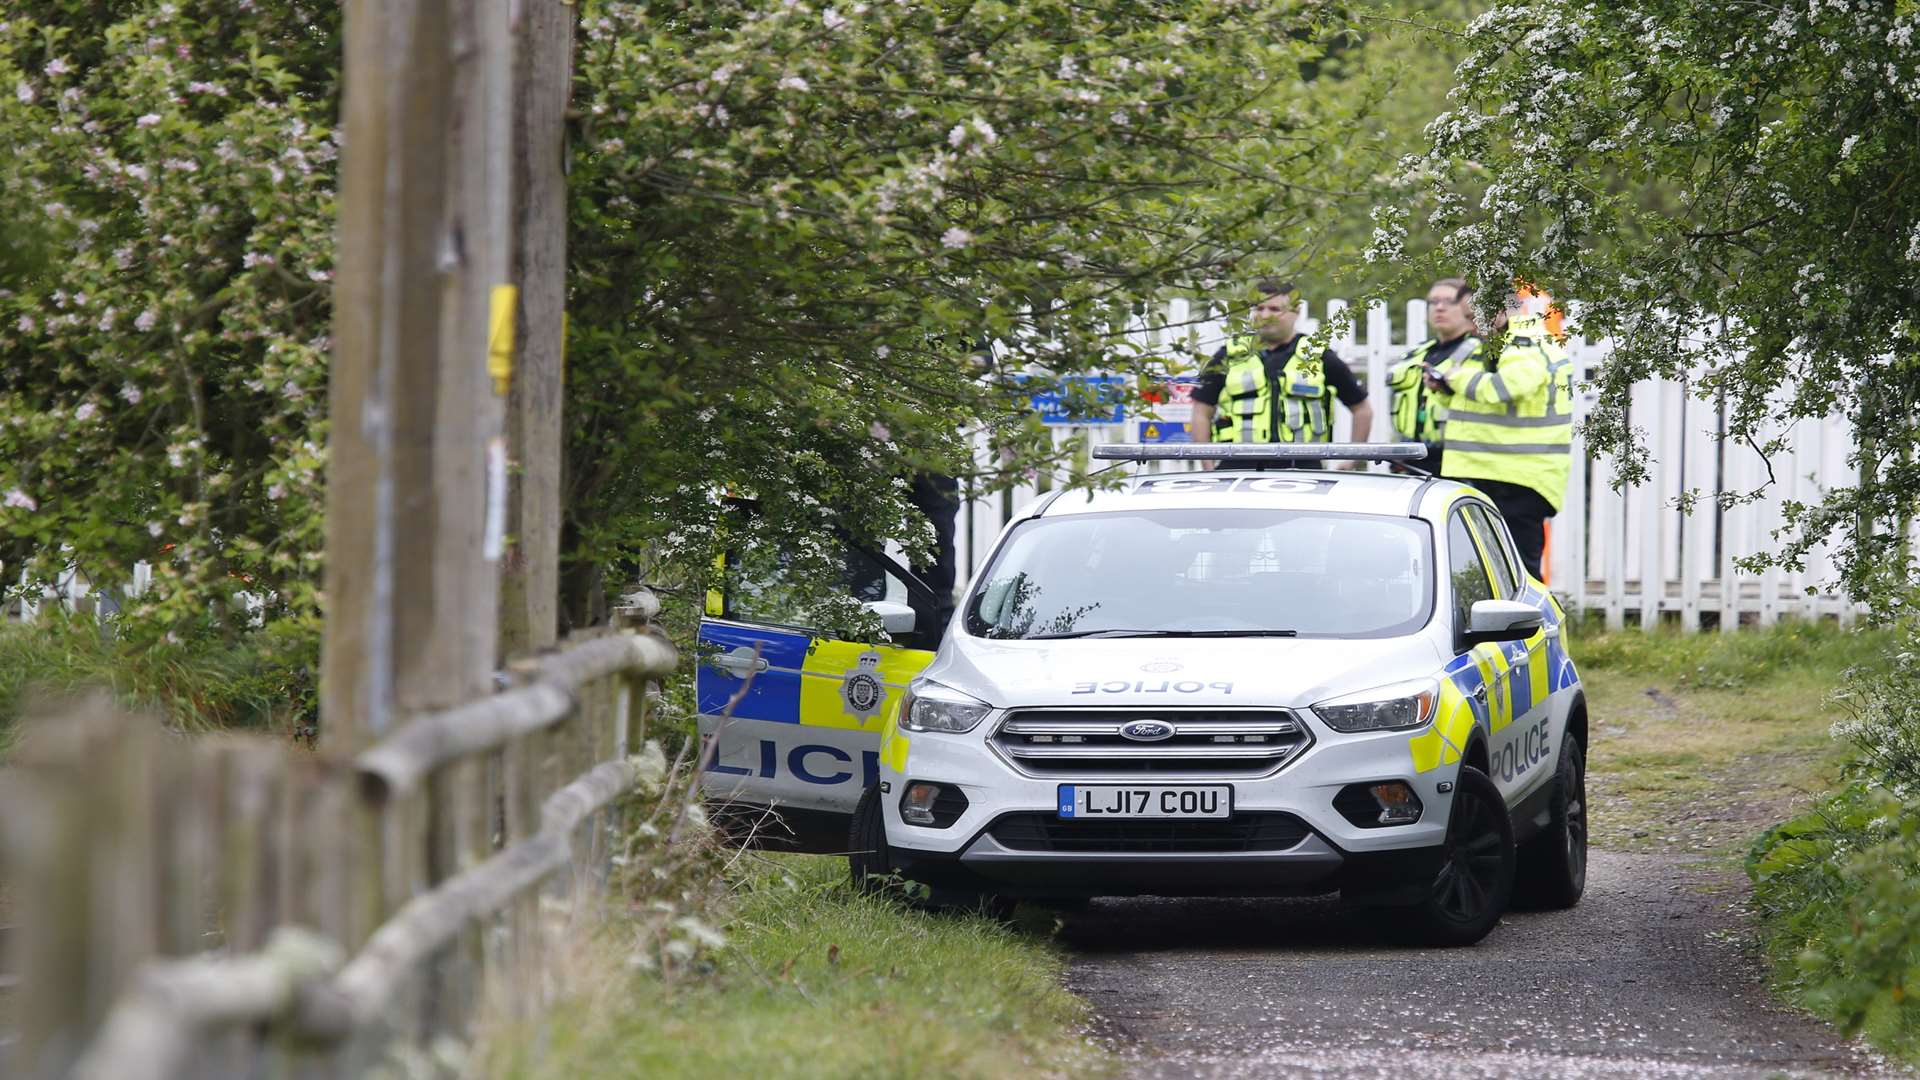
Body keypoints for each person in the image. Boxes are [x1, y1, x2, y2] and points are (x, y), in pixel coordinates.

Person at [1428, 289, 1574, 579]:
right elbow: (1474, 398)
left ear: (1501, 310)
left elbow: (1504, 389)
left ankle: (1535, 625)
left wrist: (1454, 379)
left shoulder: (1526, 344)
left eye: (1475, 316)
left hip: (1519, 478)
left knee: (1521, 574)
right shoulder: (1494, 344)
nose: (1472, 325)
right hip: (1496, 474)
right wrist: (1444, 388)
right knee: (1487, 572)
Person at [1191, 279, 1372, 469]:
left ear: (1296, 311)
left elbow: (1362, 409)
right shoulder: (1230, 354)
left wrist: (1351, 460)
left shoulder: (1318, 355)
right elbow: (1201, 411)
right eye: (1259, 308)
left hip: (1302, 470)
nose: (1265, 315)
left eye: (1275, 309)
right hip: (1237, 467)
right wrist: (1207, 465)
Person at [1385, 278, 1482, 475]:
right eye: (1434, 301)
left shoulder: (1481, 352)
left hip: (1458, 465)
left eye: (1449, 301)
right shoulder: (1417, 353)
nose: (1439, 308)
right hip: (1410, 462)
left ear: (1467, 306)